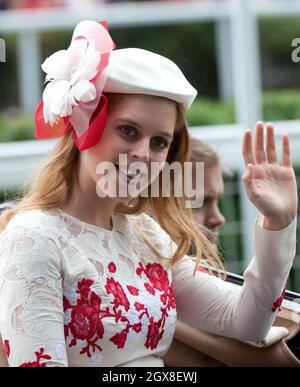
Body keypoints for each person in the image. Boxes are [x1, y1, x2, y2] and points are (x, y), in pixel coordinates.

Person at [0, 20, 297, 367]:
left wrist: (277, 223)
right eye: (128, 130)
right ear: (84, 128)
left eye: (159, 142)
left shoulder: (144, 234)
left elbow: (247, 322)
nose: (143, 153)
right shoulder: (33, 237)